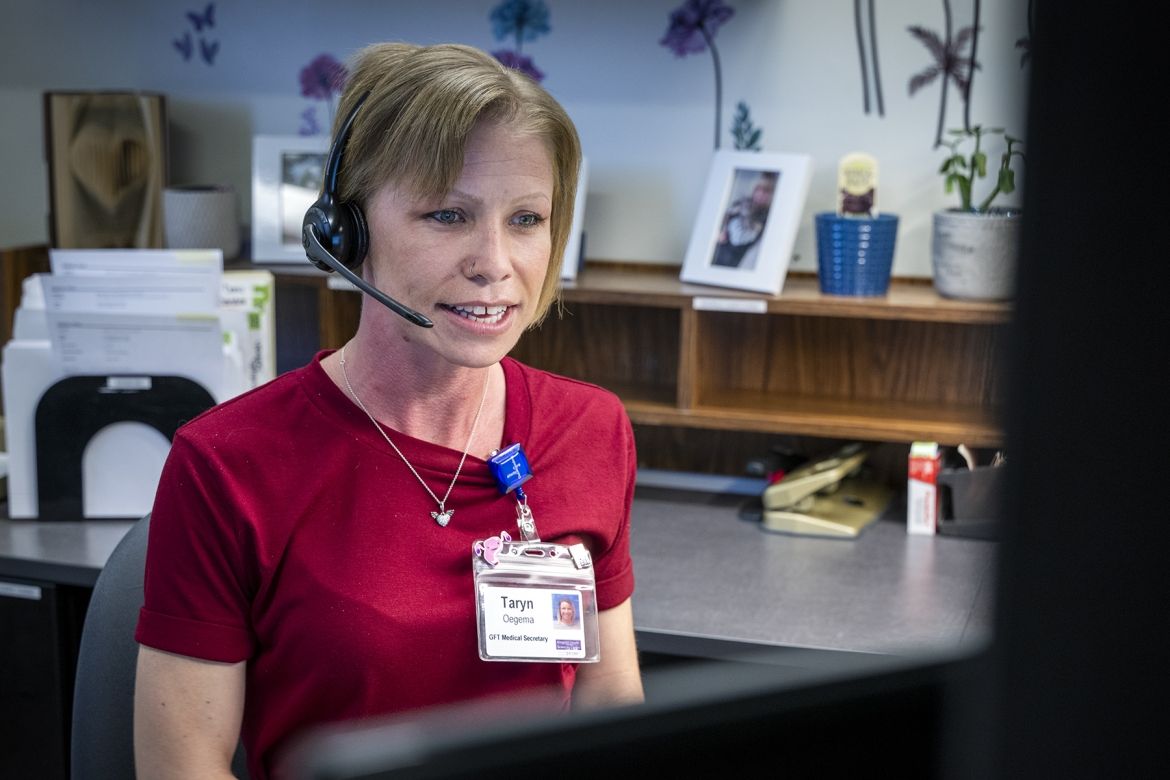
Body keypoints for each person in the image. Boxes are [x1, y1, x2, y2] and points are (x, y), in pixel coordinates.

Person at [133, 42, 644, 779]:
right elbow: (182, 769)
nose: (495, 263)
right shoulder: (226, 466)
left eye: (527, 218)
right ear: (349, 233)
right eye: (447, 215)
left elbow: (611, 710)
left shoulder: (591, 430)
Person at [711, 171, 777, 269]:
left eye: (766, 191)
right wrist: (722, 229)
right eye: (758, 189)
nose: (761, 193)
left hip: (733, 259)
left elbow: (740, 238)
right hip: (718, 251)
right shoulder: (740, 204)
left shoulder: (767, 216)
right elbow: (725, 219)